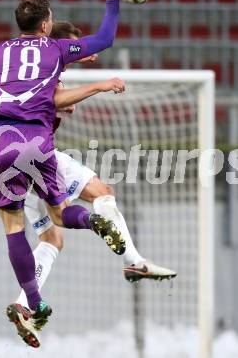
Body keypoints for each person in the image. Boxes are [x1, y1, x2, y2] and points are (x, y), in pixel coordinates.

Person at [0, 0, 125, 348]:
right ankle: (92, 219)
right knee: (62, 214)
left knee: (13, 227)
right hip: (36, 139)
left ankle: (34, 304)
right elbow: (105, 38)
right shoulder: (55, 48)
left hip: (1, 139)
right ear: (47, 24)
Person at [15, 22, 177, 309]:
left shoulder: (25, 75)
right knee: (101, 193)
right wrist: (98, 85)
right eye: (73, 48)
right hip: (40, 157)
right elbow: (61, 102)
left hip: (13, 169)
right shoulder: (49, 78)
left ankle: (24, 304)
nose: (81, 51)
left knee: (52, 240)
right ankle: (132, 261)